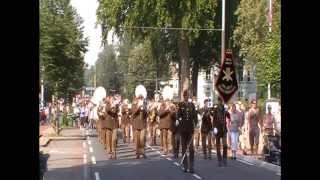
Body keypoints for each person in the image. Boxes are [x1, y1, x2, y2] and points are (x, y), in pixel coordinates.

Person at [177, 90, 198, 173]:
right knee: (184, 148)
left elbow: (195, 116)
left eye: (188, 95)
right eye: (185, 95)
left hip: (190, 129)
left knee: (191, 149)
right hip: (183, 129)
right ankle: (185, 166)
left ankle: (191, 166)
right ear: (184, 96)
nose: (187, 97)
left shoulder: (192, 105)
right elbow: (178, 116)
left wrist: (196, 124)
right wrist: (181, 122)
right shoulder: (180, 105)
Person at [212, 97, 230, 167]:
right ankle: (219, 160)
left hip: (223, 129)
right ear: (218, 101)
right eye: (219, 101)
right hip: (217, 128)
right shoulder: (215, 109)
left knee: (225, 145)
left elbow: (228, 116)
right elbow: (213, 119)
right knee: (218, 145)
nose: (220, 102)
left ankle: (224, 158)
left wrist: (226, 110)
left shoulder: (224, 108)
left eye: (221, 101)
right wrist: (214, 128)